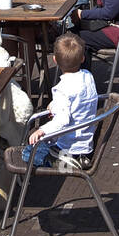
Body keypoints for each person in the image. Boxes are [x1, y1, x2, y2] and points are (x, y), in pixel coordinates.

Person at [23, 32, 99, 169]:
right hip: (85, 145)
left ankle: (60, 162)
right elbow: (78, 100)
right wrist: (54, 105)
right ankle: (77, 160)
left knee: (28, 153)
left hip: (68, 147)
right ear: (82, 59)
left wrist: (42, 130)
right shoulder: (88, 76)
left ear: (55, 60)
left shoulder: (62, 89)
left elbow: (62, 121)